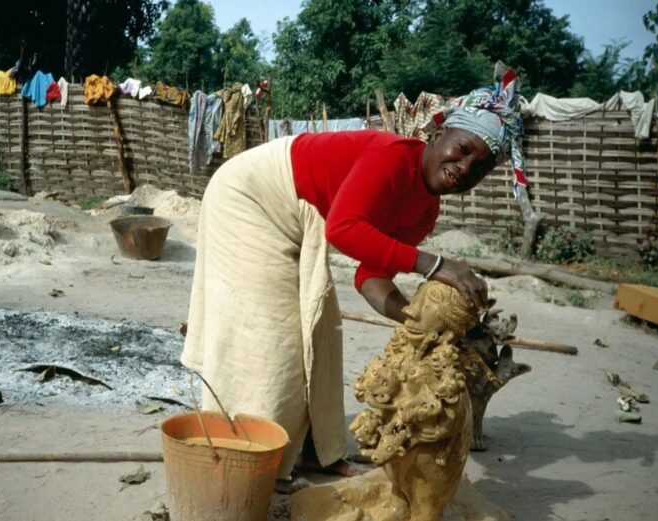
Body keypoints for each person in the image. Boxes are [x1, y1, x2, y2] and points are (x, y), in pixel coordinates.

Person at [181, 62, 526, 492]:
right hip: (249, 196)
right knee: (273, 335)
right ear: (437, 136)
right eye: (463, 148)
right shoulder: (392, 157)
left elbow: (371, 273)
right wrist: (436, 265)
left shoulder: (425, 209)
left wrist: (414, 318)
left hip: (296, 216)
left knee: (321, 331)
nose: (465, 167)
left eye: (479, 167)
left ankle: (313, 453)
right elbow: (343, 229)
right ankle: (256, 459)